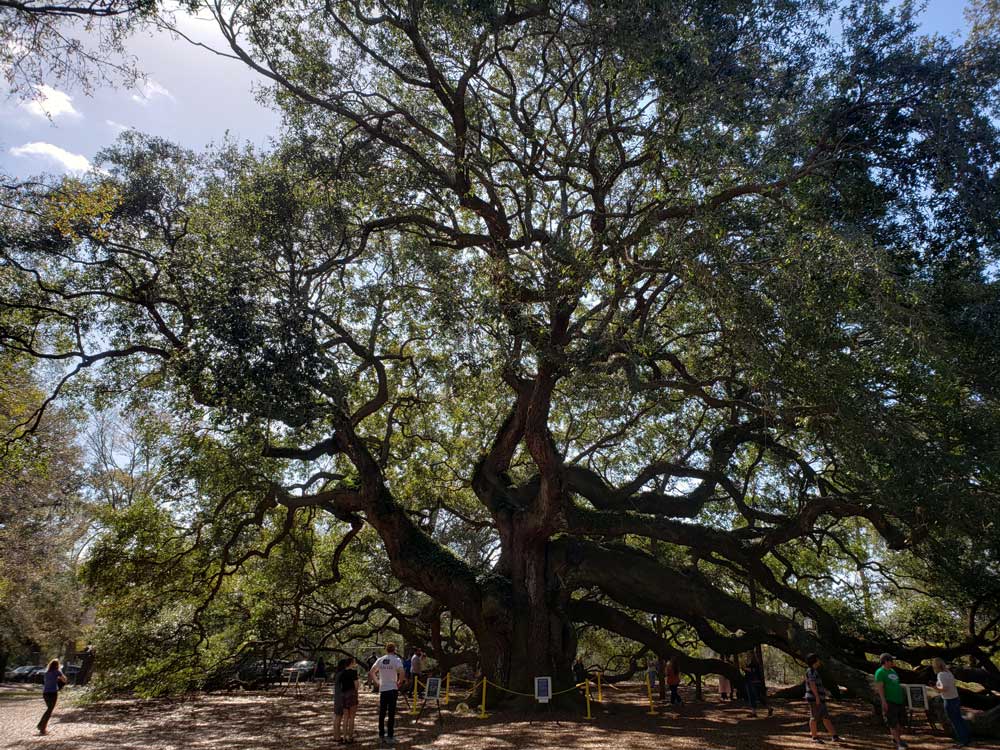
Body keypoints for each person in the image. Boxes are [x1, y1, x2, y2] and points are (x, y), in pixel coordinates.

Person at [369, 643, 405, 746]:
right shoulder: (396, 659)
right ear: (394, 650)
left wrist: (377, 682)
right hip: (392, 689)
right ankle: (390, 735)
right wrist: (399, 682)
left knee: (382, 712)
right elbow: (402, 671)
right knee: (391, 713)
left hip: (383, 689)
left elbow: (371, 672)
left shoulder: (380, 660)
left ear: (386, 650)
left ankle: (381, 734)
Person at [933, 657, 972, 748]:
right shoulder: (949, 673)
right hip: (955, 698)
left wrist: (935, 687)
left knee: (955, 721)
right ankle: (966, 738)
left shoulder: (941, 674)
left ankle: (961, 740)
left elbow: (944, 688)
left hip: (949, 700)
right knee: (959, 720)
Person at [804, 653, 841, 744]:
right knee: (814, 717)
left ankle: (835, 736)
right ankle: (814, 738)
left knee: (825, 717)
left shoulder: (814, 671)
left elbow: (816, 684)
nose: (819, 661)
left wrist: (823, 693)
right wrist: (817, 697)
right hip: (814, 698)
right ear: (815, 661)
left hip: (819, 698)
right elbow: (812, 684)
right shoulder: (810, 671)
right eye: (818, 659)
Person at [875, 653, 908, 750]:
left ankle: (897, 739)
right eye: (891, 660)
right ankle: (899, 744)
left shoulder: (893, 671)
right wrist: (883, 701)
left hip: (899, 700)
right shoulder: (880, 672)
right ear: (885, 661)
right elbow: (880, 688)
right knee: (893, 723)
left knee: (901, 723)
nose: (893, 662)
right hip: (889, 701)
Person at [37, 658, 67, 735]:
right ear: (57, 665)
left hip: (45, 693)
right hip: (52, 693)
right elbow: (64, 680)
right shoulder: (57, 671)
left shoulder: (46, 672)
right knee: (49, 710)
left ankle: (42, 727)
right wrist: (59, 678)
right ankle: (41, 727)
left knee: (48, 710)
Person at [338, 657, 360, 745]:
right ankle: (350, 737)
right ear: (351, 663)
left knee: (346, 717)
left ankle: (344, 737)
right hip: (352, 694)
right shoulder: (353, 672)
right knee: (352, 717)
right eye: (354, 662)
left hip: (343, 695)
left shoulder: (342, 673)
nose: (355, 663)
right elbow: (357, 686)